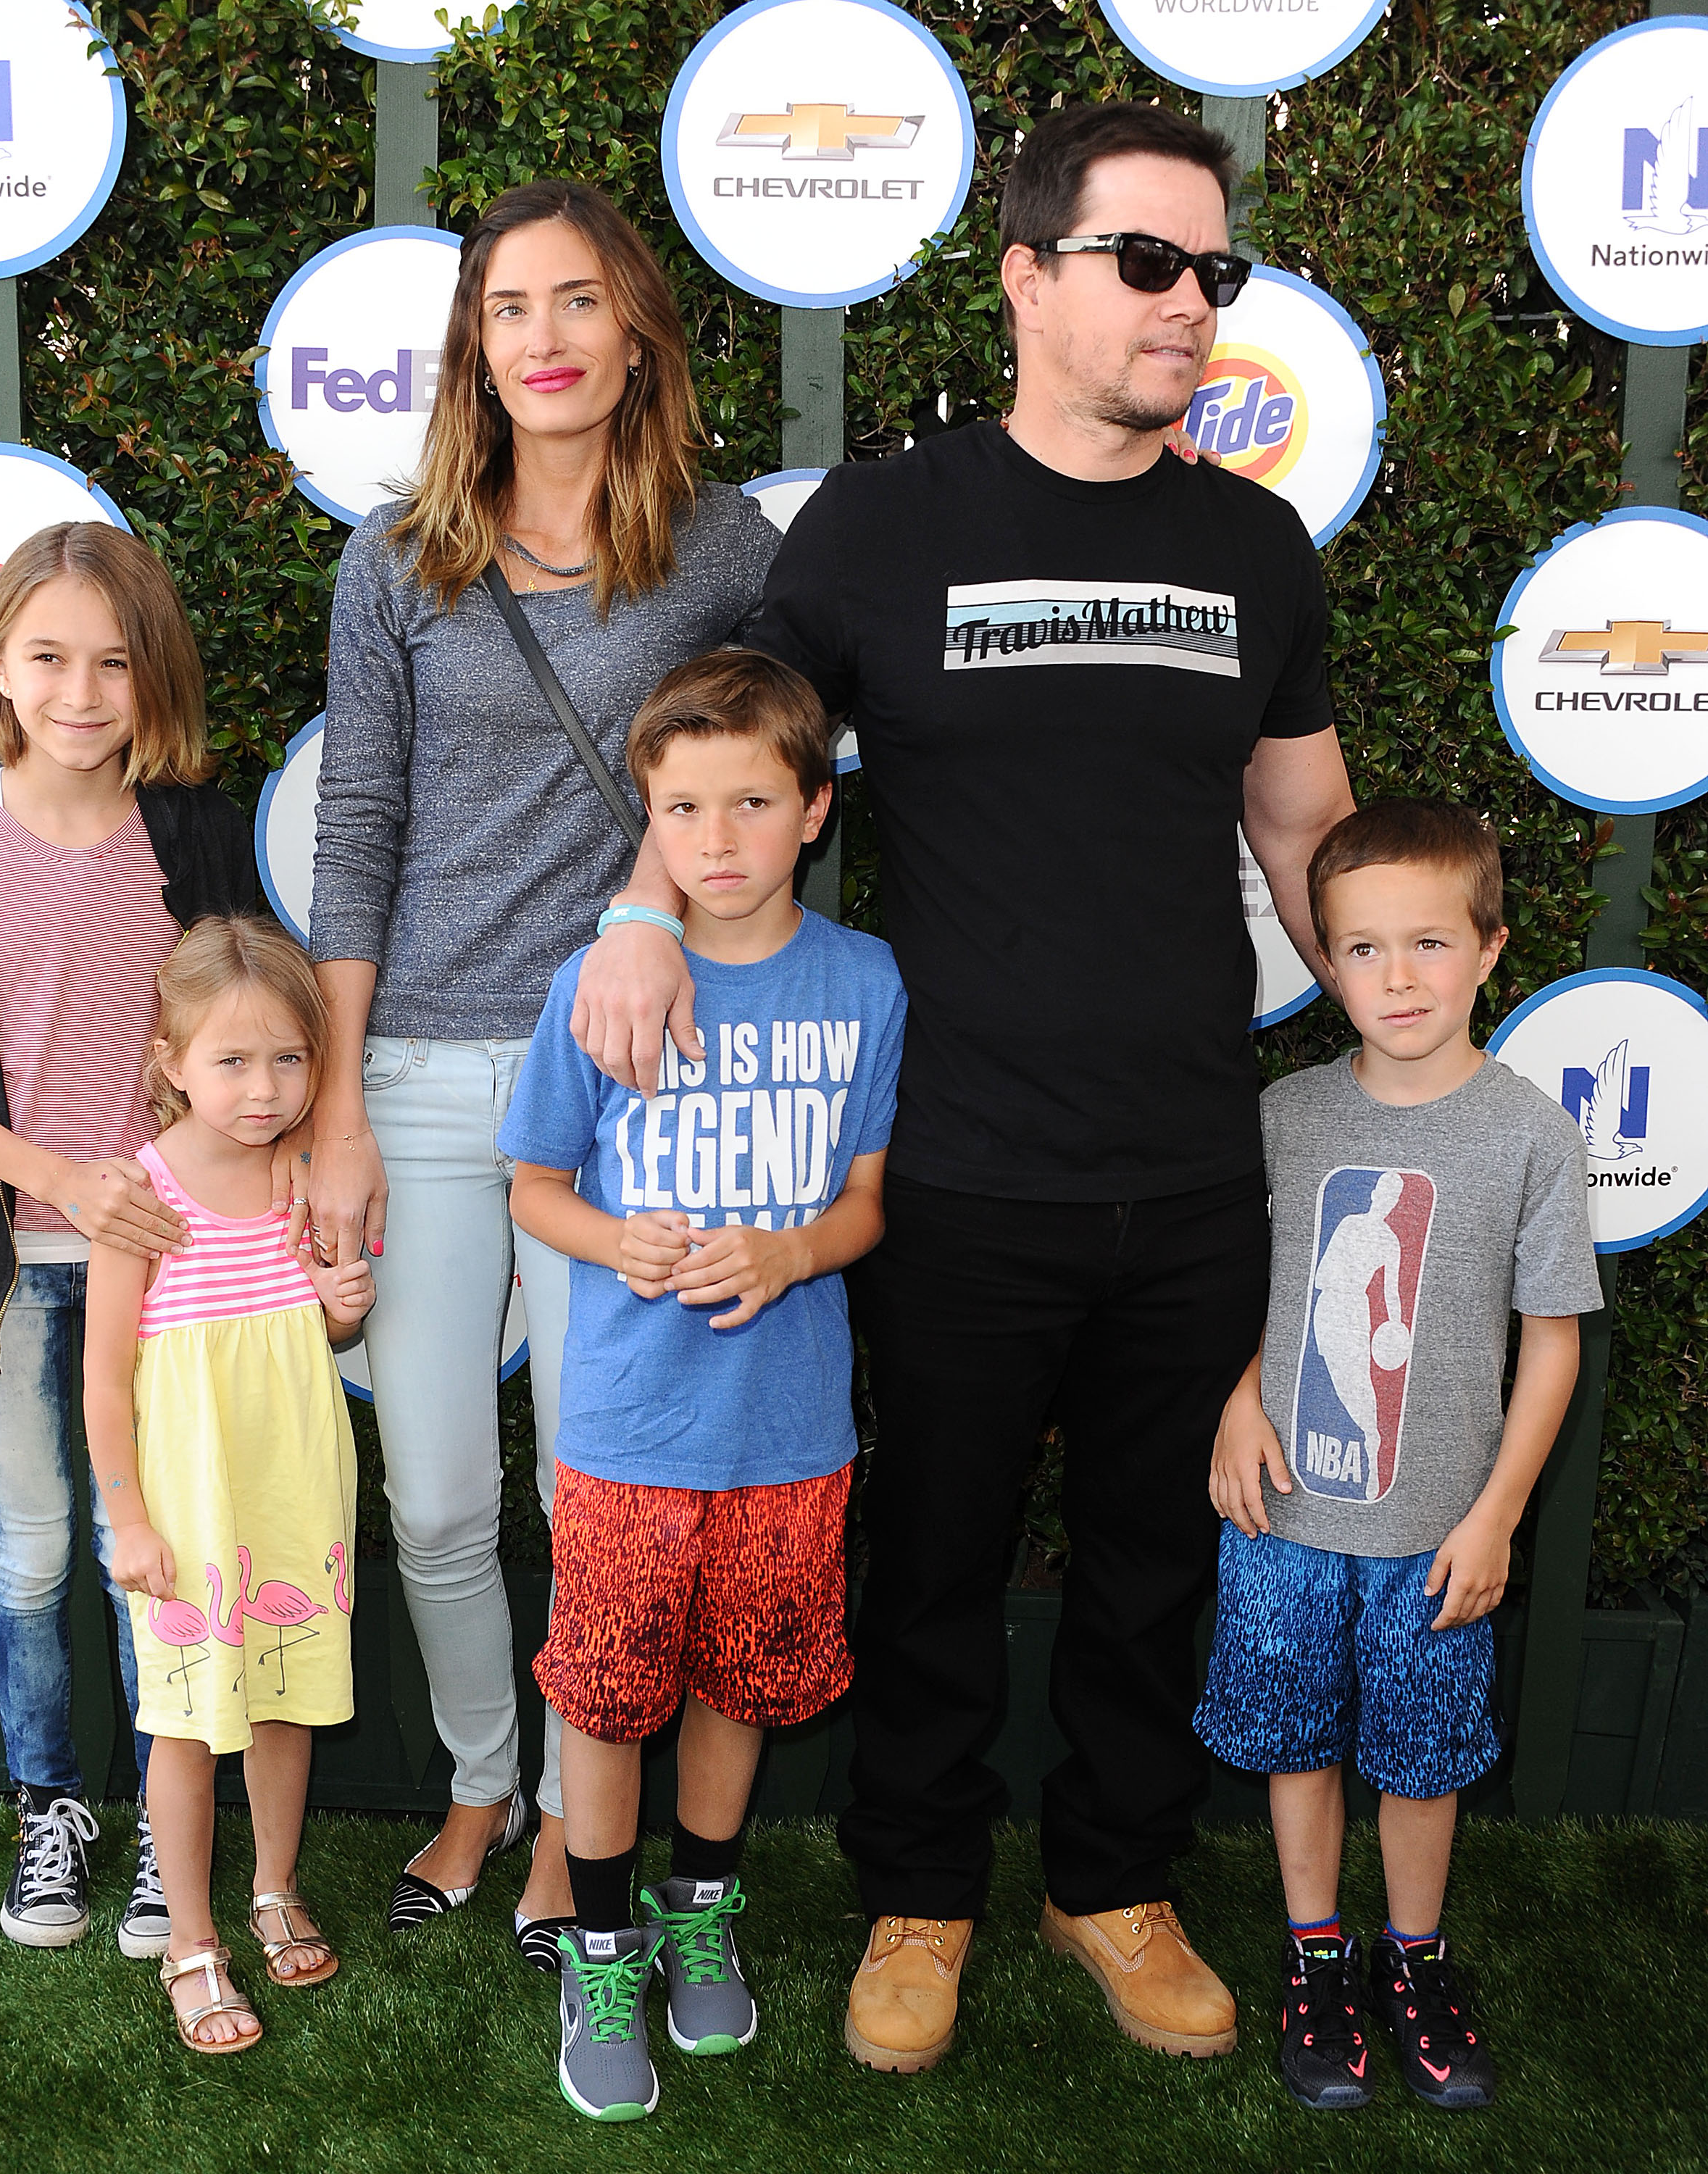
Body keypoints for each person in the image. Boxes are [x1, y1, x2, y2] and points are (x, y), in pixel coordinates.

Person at [572, 99, 1361, 2072]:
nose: (1192, 305)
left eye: (1217, 273)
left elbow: (1304, 836)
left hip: (1190, 1163)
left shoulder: (1253, 544)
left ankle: (1112, 1881)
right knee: (921, 1559)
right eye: (1148, 265)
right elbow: (730, 745)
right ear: (1026, 277)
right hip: (947, 1171)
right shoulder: (886, 523)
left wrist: (1408, 1065)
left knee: (1150, 1559)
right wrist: (635, 915)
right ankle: (916, 1895)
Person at [305, 180, 783, 1962]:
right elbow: (357, 829)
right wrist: (338, 1100)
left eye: (580, 302)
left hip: (633, 1069)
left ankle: (584, 1845)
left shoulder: (724, 547)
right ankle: (481, 1781)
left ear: (637, 328)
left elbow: (758, 769)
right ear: (475, 350)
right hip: (420, 1065)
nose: (548, 337)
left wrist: (644, 909)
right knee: (433, 1493)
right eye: (511, 309)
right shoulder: (398, 556)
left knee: (606, 1496)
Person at [497, 651, 906, 2120]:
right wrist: (622, 1241)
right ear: (648, 823)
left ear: (814, 808)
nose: (715, 838)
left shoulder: (863, 983)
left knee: (743, 1680)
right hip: (624, 1428)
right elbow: (534, 1184)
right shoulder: (592, 988)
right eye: (680, 808)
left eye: (750, 801)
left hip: (788, 1430)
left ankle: (699, 1909)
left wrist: (790, 1252)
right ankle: (600, 1949)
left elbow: (865, 1205)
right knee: (607, 1699)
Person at [0, 522, 260, 1955]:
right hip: (7, 1269)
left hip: (176, 1265)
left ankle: (171, 1828)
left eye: (115, 660)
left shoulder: (205, 834)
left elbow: (256, 1032)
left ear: (155, 677)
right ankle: (50, 1815)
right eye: (49, 658)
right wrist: (61, 1180)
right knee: (34, 1550)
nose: (83, 691)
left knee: (163, 1550)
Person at [1198, 801, 1599, 2112]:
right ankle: (1316, 1955)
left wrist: (1497, 1516)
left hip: (1439, 1531)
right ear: (1326, 957)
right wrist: (1240, 1402)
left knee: (1422, 1756)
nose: (1398, 977)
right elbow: (1264, 1297)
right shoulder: (1286, 1115)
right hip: (1286, 1518)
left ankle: (1414, 1958)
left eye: (1430, 943)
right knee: (1296, 1740)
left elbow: (1551, 1344)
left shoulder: (1529, 1130)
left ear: (1490, 948)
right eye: (1362, 949)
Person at [83, 916, 374, 2053]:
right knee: (191, 1727)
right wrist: (128, 1519)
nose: (264, 1089)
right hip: (191, 1513)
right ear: (172, 1062)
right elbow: (107, 1383)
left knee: (290, 1701)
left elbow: (337, 1324)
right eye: (233, 1061)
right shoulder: (140, 1202)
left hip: (295, 1491)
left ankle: (275, 1887)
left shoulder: (311, 1175)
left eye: (290, 1060)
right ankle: (193, 1939)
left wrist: (347, 1307)